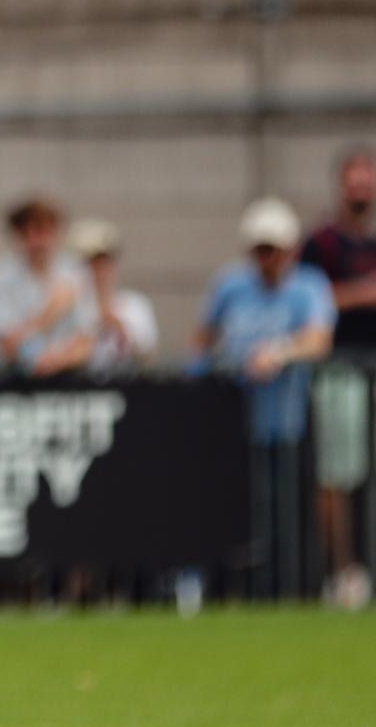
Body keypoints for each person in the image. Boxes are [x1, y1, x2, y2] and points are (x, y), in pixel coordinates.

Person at [193, 197, 336, 599]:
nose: (266, 259)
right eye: (260, 249)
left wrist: (279, 353)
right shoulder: (231, 285)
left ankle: (291, 589)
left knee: (287, 511)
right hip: (235, 425)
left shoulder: (309, 285)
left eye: (273, 249)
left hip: (288, 423)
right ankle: (244, 591)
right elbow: (203, 337)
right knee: (242, 514)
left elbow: (318, 339)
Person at [299, 144, 376, 607]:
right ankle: (342, 570)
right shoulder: (321, 243)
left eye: (367, 182)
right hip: (341, 371)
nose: (360, 190)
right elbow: (310, 301)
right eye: (353, 182)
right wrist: (362, 294)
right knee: (336, 474)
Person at [0, 195, 91, 376]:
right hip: (14, 383)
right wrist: (48, 316)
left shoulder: (75, 274)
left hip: (69, 383)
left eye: (41, 230)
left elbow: (86, 341)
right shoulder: (1, 276)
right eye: (26, 232)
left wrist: (58, 360)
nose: (34, 241)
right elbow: (4, 343)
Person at [68, 219, 158, 375]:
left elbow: (148, 355)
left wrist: (120, 329)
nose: (100, 271)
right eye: (93, 264)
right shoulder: (73, 307)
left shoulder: (136, 304)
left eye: (105, 263)